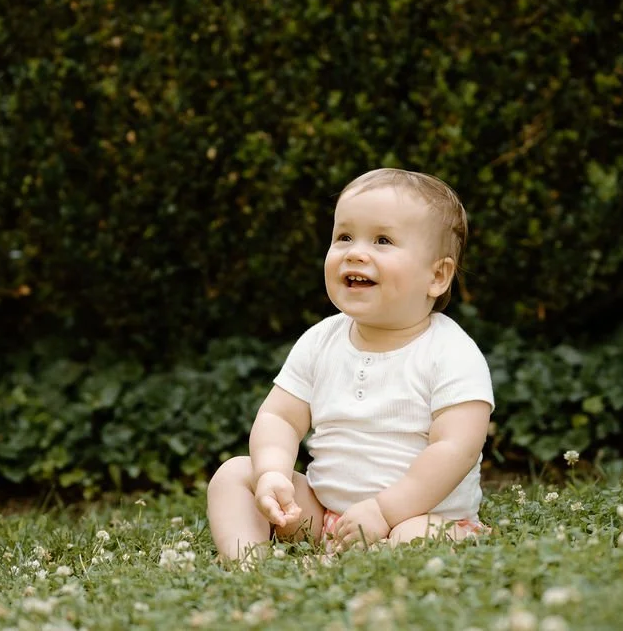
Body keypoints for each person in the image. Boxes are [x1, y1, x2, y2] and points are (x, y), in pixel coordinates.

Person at [206, 168, 494, 561]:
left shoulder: (450, 353)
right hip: (326, 516)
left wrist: (384, 511)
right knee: (236, 474)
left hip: (417, 514)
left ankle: (389, 558)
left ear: (437, 275)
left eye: (382, 240)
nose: (355, 252)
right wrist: (272, 472)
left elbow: (454, 448)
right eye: (344, 237)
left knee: (416, 536)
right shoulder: (321, 340)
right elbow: (281, 417)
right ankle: (245, 561)